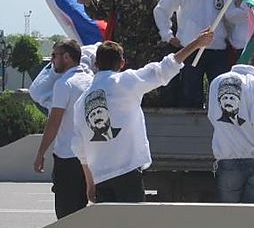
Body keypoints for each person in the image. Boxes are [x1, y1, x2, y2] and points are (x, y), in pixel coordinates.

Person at [72, 29, 214, 204]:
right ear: (122, 63)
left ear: (96, 64)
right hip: (127, 171)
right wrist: (196, 44)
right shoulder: (125, 82)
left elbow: (79, 147)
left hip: (100, 176)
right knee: (133, 227)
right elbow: (163, 69)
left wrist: (90, 182)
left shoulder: (81, 101)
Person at [153, 0, 231, 107]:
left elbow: (233, 16)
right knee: (191, 96)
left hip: (218, 49)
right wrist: (168, 36)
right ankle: (193, 131)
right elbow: (161, 10)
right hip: (189, 47)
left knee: (221, 96)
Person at [207, 48, 254, 203]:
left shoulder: (217, 81)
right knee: (252, 214)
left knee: (228, 213)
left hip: (226, 156)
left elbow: (213, 117)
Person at [32, 39, 93, 218]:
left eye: (54, 55)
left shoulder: (64, 84)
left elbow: (54, 121)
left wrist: (40, 153)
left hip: (68, 158)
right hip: (91, 156)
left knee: (66, 215)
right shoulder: (91, 81)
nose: (51, 60)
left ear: (66, 57)